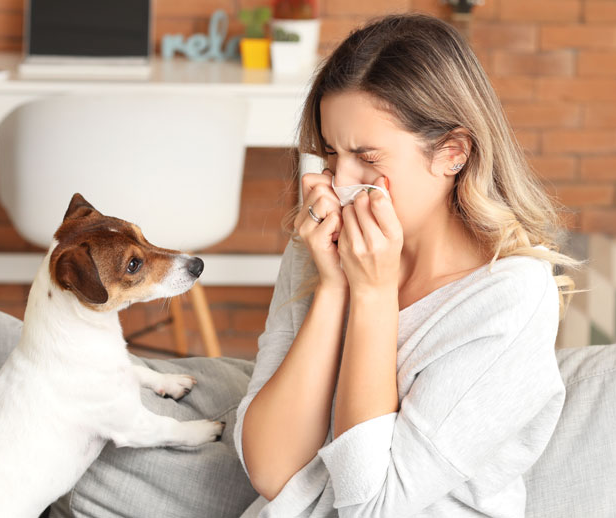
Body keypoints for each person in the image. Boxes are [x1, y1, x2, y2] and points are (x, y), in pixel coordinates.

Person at [234, 12, 585, 518]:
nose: (339, 182)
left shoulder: (510, 297)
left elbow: (373, 507)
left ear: (452, 153)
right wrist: (334, 287)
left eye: (368, 158)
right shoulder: (319, 249)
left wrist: (373, 296)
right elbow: (269, 470)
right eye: (332, 155)